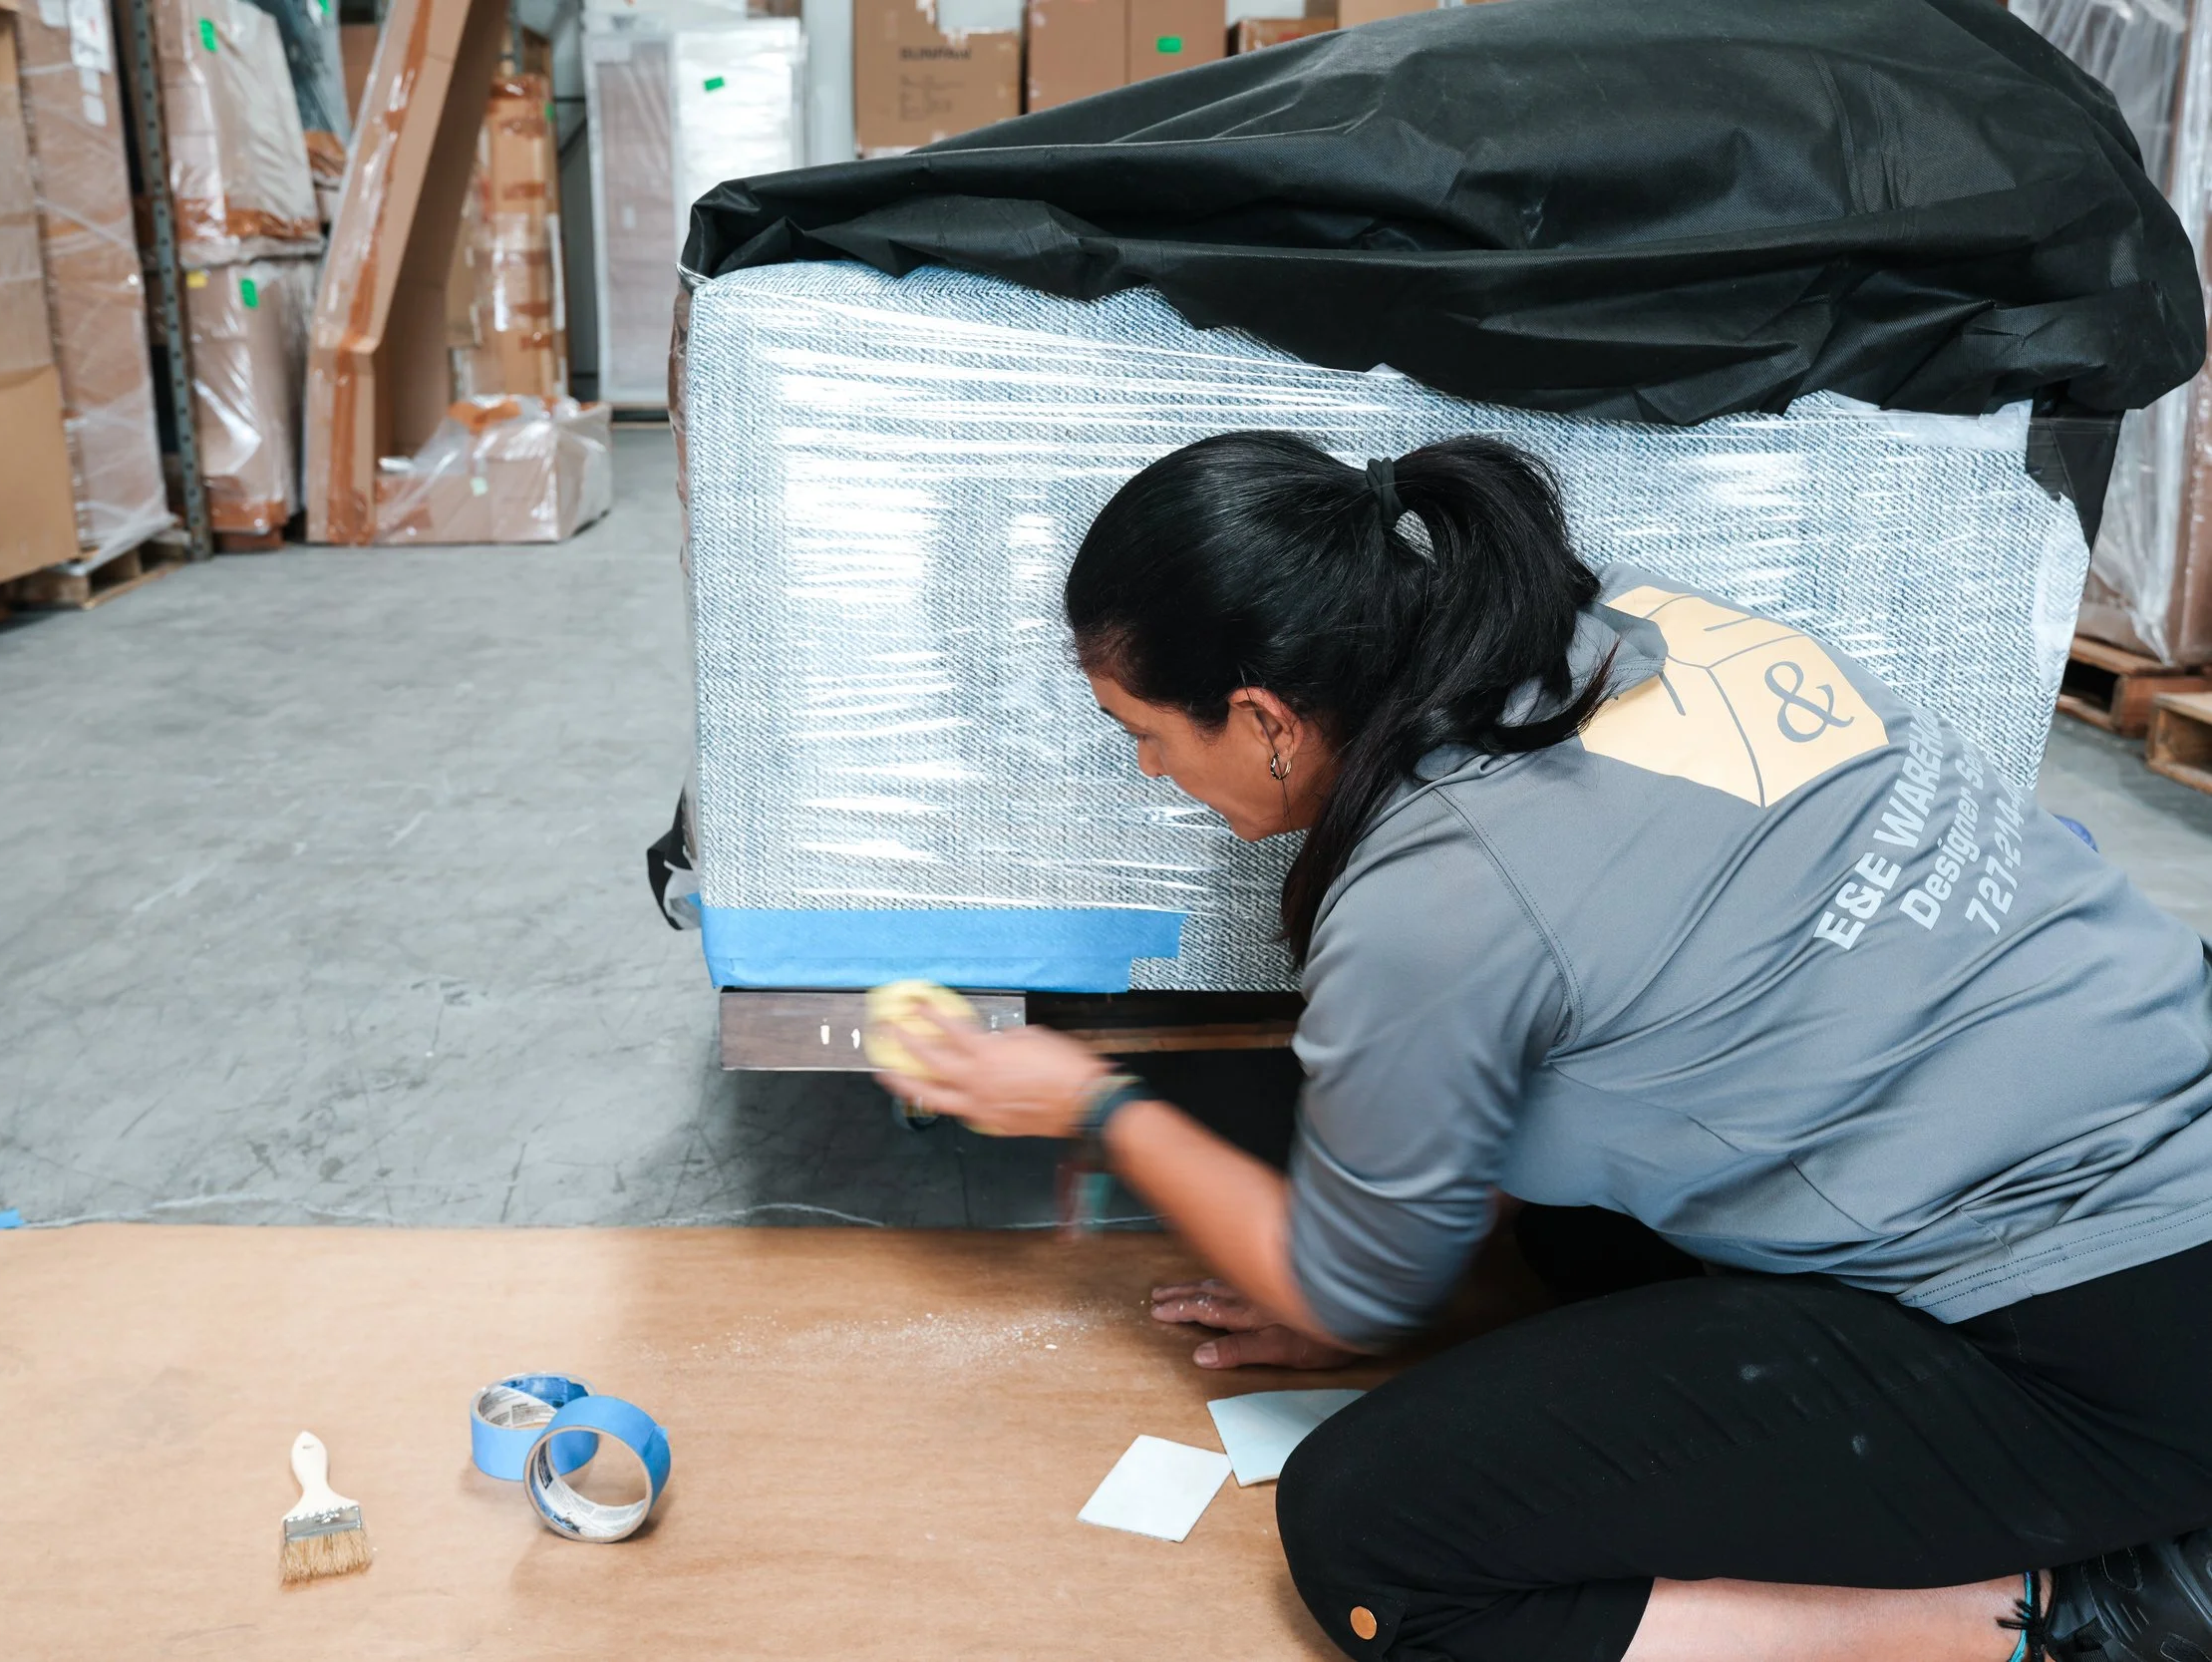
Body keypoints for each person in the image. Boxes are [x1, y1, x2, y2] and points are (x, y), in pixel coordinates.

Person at [873, 431, 2212, 1662]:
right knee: (1568, 1236)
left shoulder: (1435, 890)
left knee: (1374, 1539)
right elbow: (1612, 1004)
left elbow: (1351, 1291)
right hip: (2149, 1079)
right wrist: (1396, 1263)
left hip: (2110, 1344)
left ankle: (2073, 1607)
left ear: (1268, 718)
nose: (1153, 776)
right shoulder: (1619, 627)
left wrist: (1093, 1103)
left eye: (1147, 737)